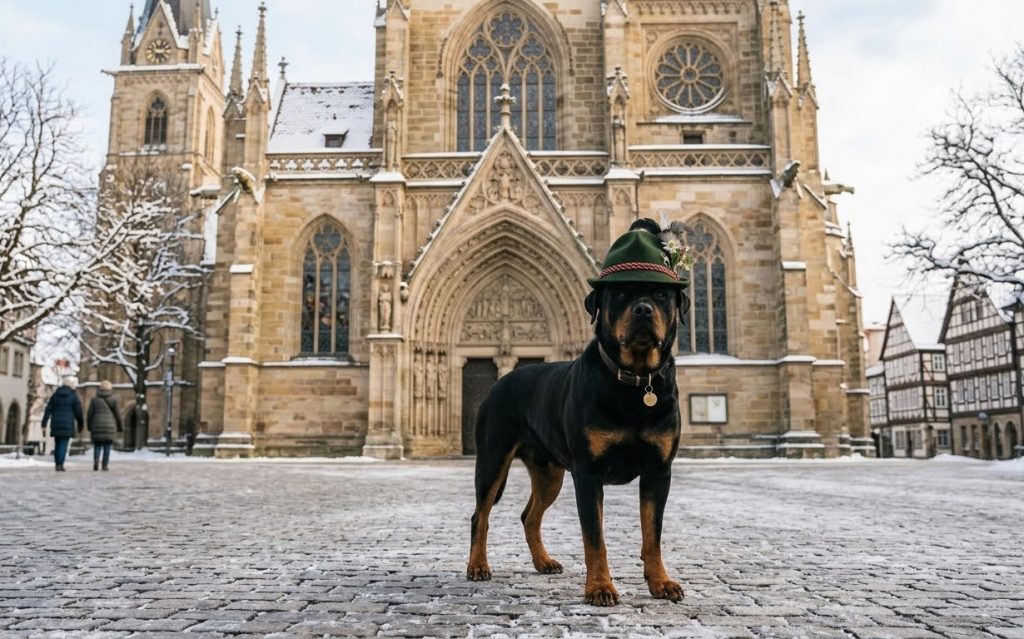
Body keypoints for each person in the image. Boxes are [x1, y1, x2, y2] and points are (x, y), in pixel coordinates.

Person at [41, 376, 83, 472]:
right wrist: (80, 424)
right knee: (63, 444)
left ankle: (57, 463)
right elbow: (78, 411)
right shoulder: (73, 396)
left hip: (56, 423)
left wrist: (44, 422)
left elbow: (48, 409)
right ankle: (60, 464)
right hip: (68, 424)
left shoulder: (55, 395)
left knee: (57, 443)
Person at [86, 380, 123, 471]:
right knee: (107, 446)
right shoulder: (114, 399)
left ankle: (96, 462)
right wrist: (120, 426)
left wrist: (90, 426)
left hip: (96, 425)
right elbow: (118, 414)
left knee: (97, 445)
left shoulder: (94, 400)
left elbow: (89, 414)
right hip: (109, 427)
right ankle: (104, 465)